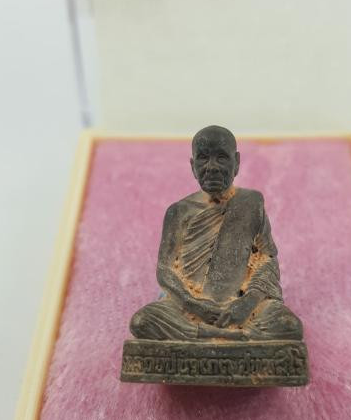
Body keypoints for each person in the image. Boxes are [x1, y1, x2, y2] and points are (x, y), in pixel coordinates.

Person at [130, 125, 303, 342]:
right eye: (203, 158)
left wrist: (248, 302)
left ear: (236, 162)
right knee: (142, 322)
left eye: (221, 158)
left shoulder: (251, 203)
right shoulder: (178, 212)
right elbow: (165, 270)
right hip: (190, 307)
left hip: (242, 304)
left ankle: (213, 335)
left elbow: (267, 261)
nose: (211, 167)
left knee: (289, 325)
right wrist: (192, 303)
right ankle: (229, 336)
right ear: (192, 166)